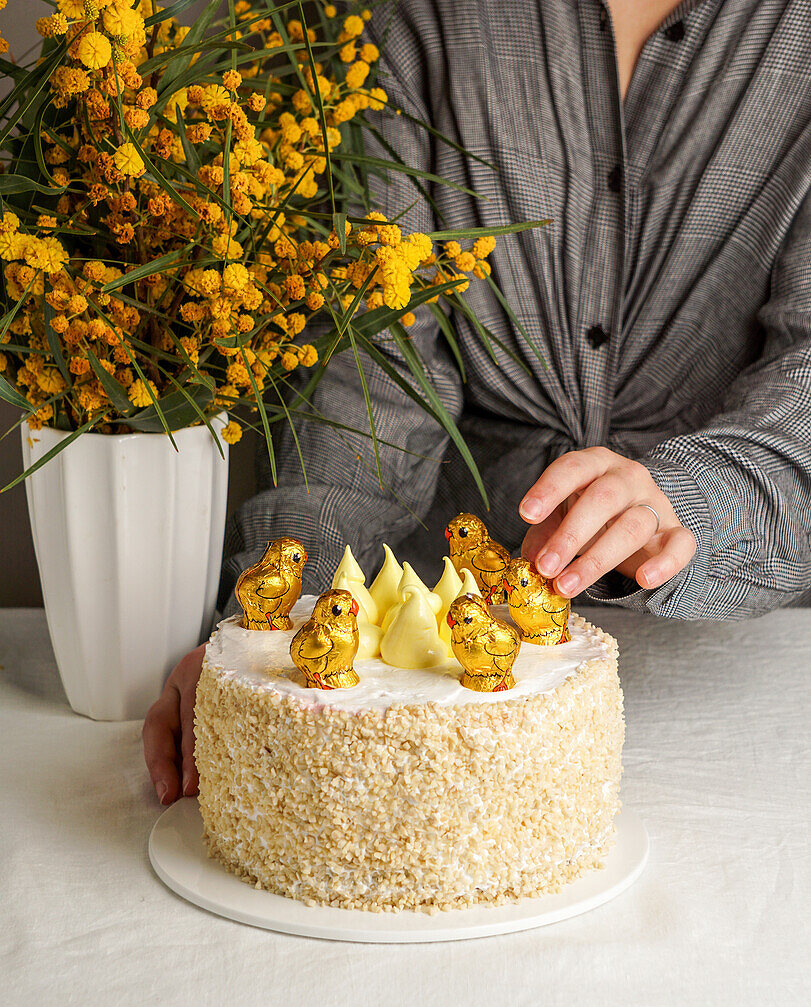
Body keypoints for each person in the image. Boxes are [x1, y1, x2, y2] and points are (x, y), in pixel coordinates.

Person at [143, 0, 811, 805]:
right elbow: (368, 376)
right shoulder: (418, 19)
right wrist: (272, 635)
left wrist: (689, 500)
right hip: (415, 704)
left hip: (735, 699)